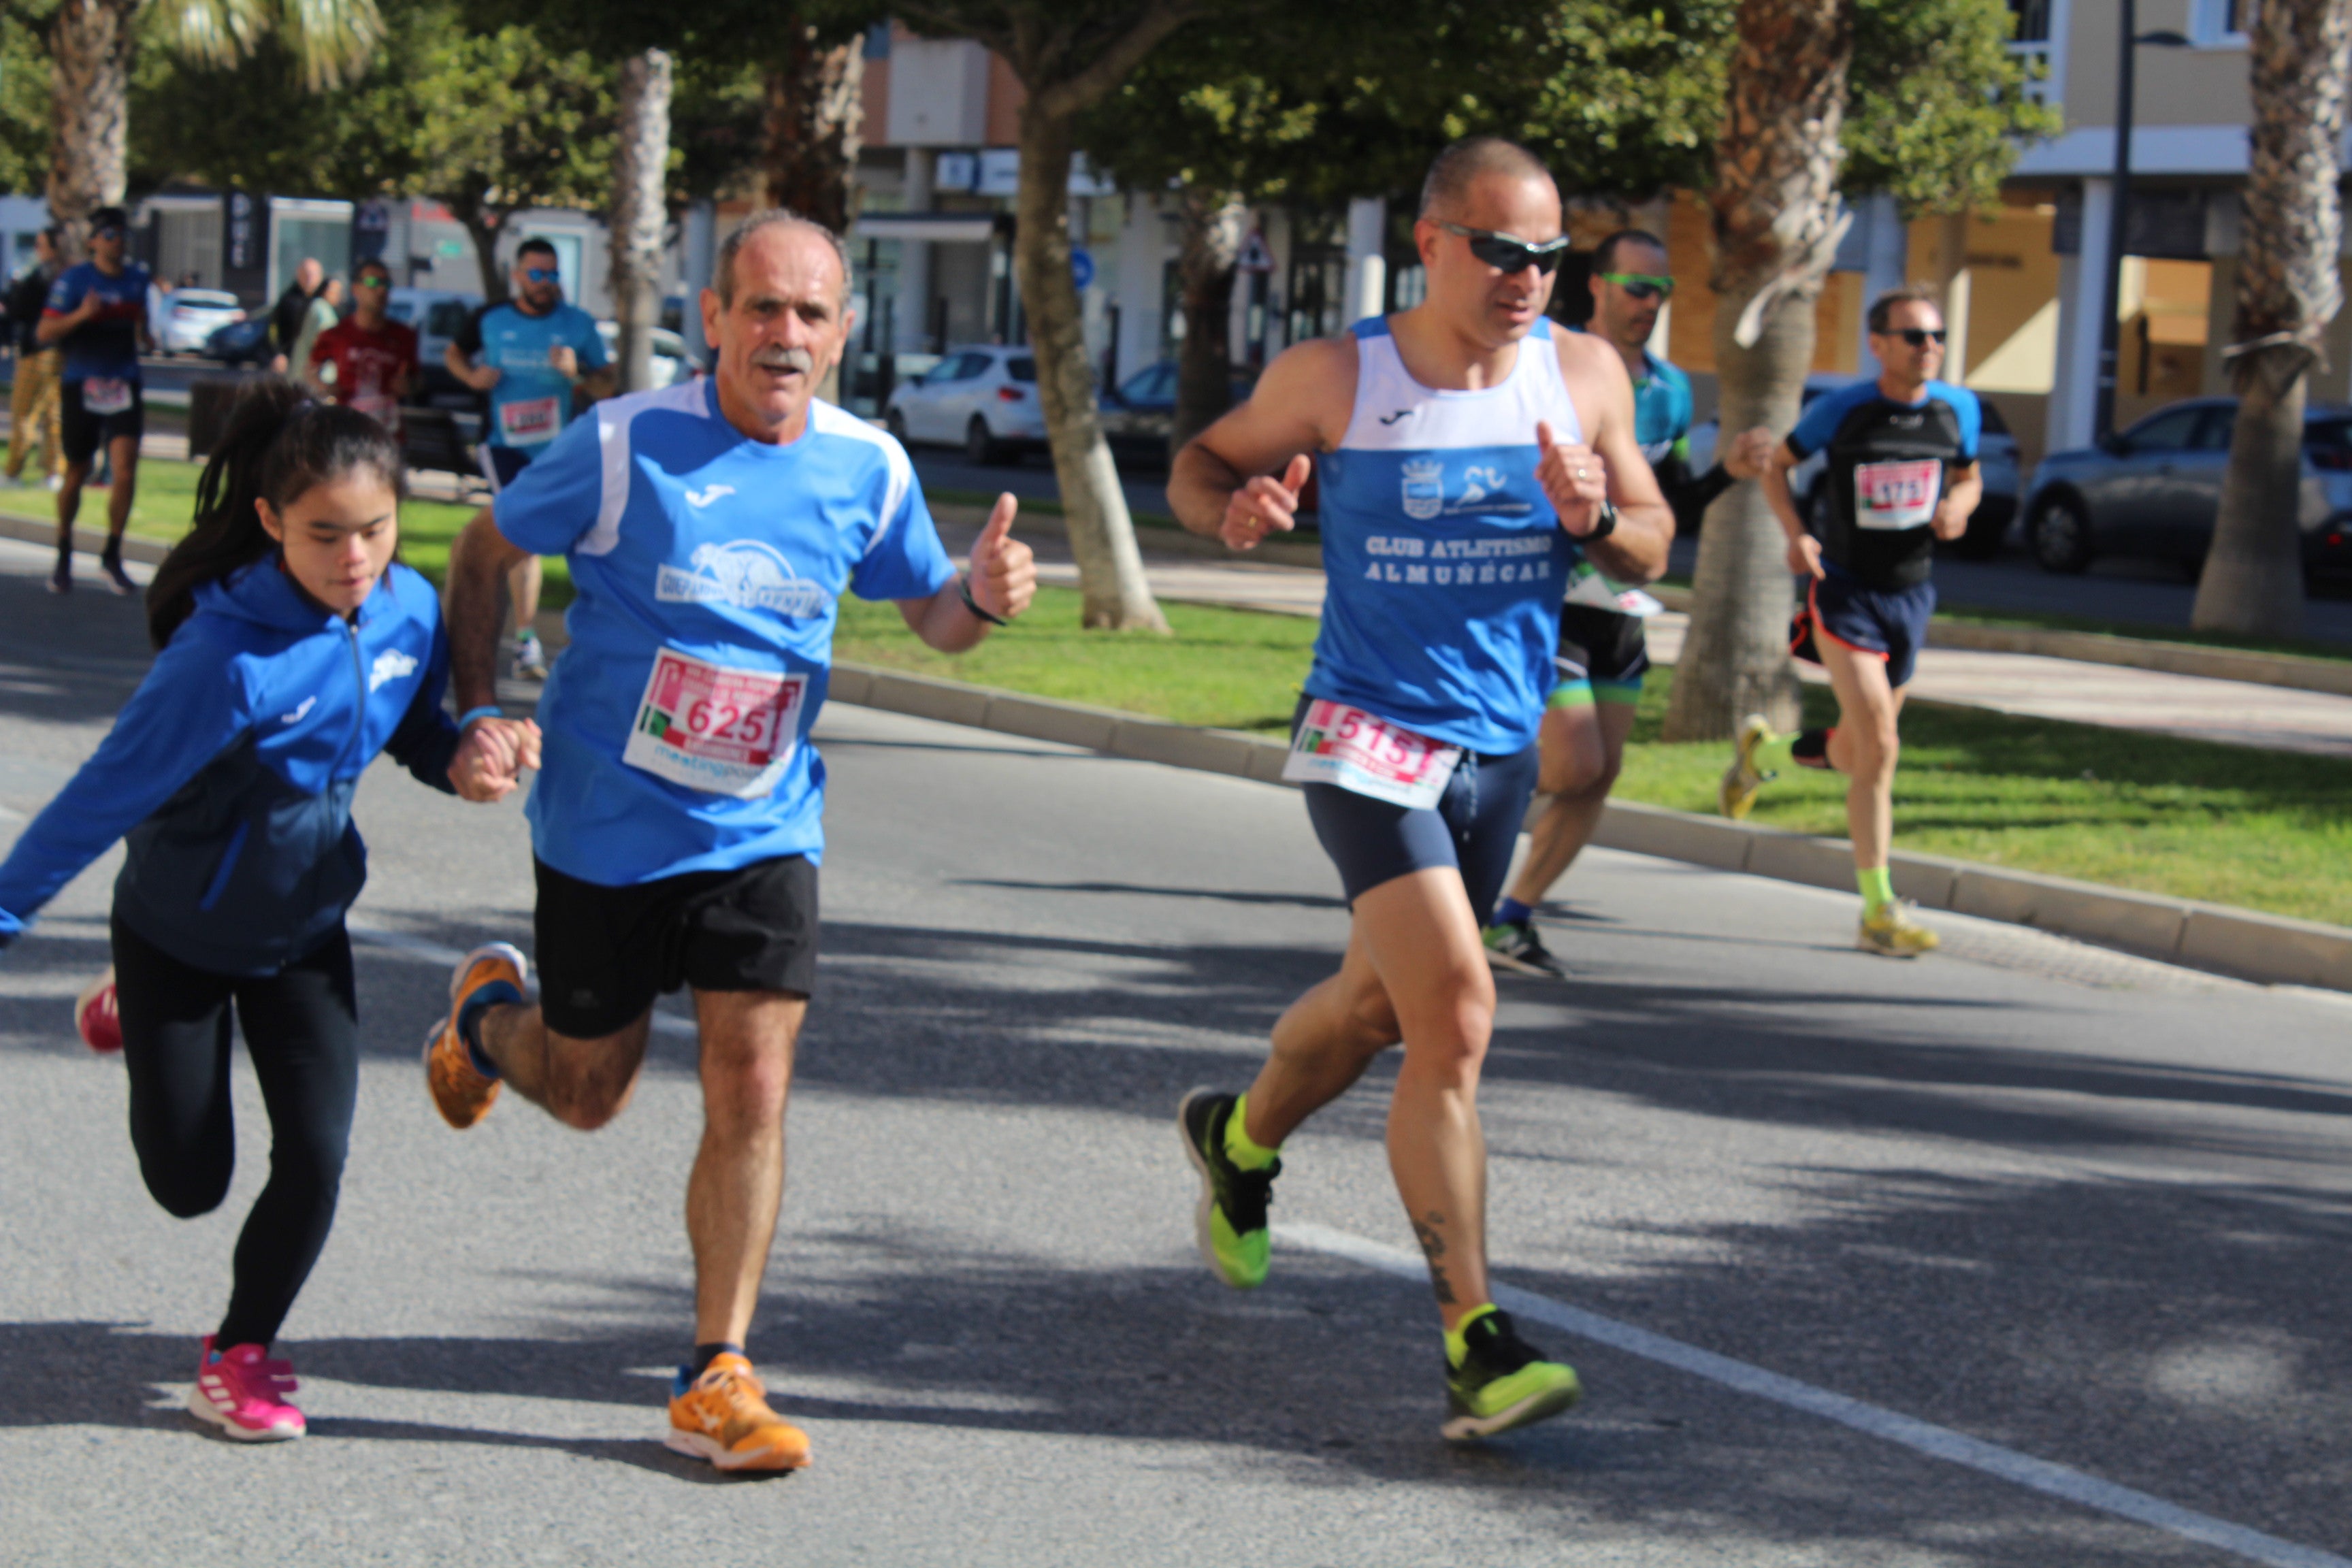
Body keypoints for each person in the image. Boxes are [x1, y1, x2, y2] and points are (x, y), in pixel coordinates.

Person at [419, 210, 1035, 1473]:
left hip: (763, 824)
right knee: (589, 1092)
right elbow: (482, 546)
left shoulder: (868, 464)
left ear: (845, 332)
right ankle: (489, 1021)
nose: (786, 335)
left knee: (752, 1082)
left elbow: (929, 610)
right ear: (714, 318)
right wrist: (478, 705)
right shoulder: (623, 440)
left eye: (812, 314)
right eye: (762, 308)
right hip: (606, 823)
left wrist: (977, 596)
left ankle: (718, 1368)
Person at [1165, 137, 1672, 1441]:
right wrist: (1232, 512)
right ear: (1434, 242)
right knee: (1456, 1009)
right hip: (1366, 732)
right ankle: (1474, 1337)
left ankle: (1240, 1135)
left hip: (1499, 744)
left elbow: (1654, 536)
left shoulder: (1586, 374)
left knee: (1376, 1008)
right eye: (1501, 250)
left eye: (1547, 255)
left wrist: (1591, 519)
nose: (1526, 278)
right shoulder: (1342, 373)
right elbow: (1201, 462)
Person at [0, 380, 538, 1442]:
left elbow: (411, 733)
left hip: (301, 932)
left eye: (375, 531)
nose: (354, 560)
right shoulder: (222, 660)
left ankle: (240, 1351)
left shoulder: (409, 608)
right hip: (177, 935)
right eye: (324, 535)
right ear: (269, 523)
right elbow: (102, 796)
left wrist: (463, 763)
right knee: (191, 1185)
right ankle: (128, 1009)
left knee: (319, 1153)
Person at [1480, 229, 1774, 979]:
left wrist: (1728, 474)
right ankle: (1455, 814)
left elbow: (1667, 508)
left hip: (1621, 601)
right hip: (1550, 594)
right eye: (1637, 287)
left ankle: (1512, 913)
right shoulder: (1554, 365)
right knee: (1572, 760)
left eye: (1662, 290)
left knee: (1601, 772)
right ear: (1599, 288)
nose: (1650, 303)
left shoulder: (1671, 392)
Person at [1719, 285, 1981, 958]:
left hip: (1910, 597)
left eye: (1938, 337)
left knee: (1855, 750)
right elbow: (1777, 465)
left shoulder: (1958, 410)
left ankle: (1763, 753)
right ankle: (1878, 910)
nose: (1930, 349)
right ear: (1880, 344)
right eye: (1915, 336)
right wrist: (1795, 534)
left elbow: (1969, 474)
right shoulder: (1844, 410)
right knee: (1883, 747)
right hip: (1846, 594)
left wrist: (1962, 504)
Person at [445, 238, 614, 681]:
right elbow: (454, 353)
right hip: (505, 444)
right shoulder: (491, 319)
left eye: (552, 275)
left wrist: (577, 373)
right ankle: (525, 642)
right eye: (536, 274)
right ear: (518, 275)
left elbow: (607, 384)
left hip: (558, 449)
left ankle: (542, 640)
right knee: (524, 534)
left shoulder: (577, 324)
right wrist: (472, 377)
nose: (545, 283)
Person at [39, 206, 152, 595]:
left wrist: (146, 337)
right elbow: (45, 330)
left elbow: (142, 326)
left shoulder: (138, 280)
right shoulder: (76, 280)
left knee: (125, 469)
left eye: (122, 235)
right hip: (82, 382)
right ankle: (64, 550)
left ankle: (112, 553)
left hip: (123, 381)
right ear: (93, 242)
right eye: (109, 235)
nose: (118, 242)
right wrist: (83, 315)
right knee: (78, 470)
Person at [307, 258, 418, 432]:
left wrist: (409, 385)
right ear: (355, 290)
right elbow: (310, 371)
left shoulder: (404, 336)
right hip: (347, 429)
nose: (381, 290)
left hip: (388, 434)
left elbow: (418, 380)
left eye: (386, 284)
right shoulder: (337, 334)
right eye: (372, 282)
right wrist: (325, 387)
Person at [3, 225, 64, 491]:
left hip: (37, 351)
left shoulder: (43, 276)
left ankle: (14, 471)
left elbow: (20, 310)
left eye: (41, 245)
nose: (37, 250)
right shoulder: (64, 275)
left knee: (24, 413)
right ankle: (53, 472)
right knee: (53, 414)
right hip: (58, 351)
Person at [267, 257, 323, 375]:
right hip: (293, 362)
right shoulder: (288, 301)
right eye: (305, 275)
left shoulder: (325, 301)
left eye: (313, 275)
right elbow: (272, 329)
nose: (309, 279)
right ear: (298, 275)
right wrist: (277, 353)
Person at [287, 275, 344, 384]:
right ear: (325, 291)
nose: (338, 296)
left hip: (301, 375)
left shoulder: (313, 306)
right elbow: (325, 343)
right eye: (335, 291)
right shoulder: (322, 309)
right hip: (316, 379)